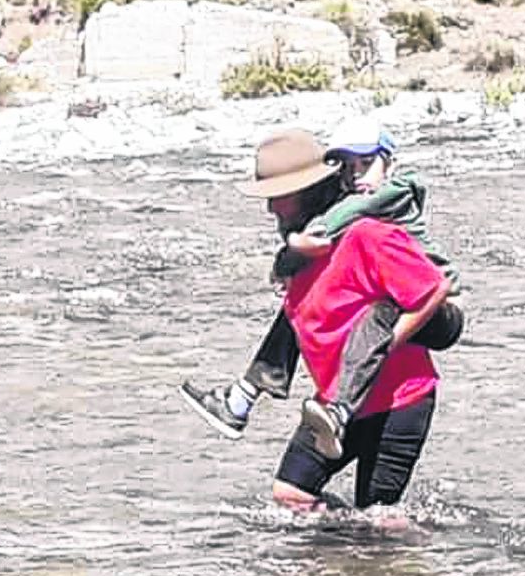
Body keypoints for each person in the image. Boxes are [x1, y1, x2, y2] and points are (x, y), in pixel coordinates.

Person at [180, 118, 463, 459]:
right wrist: (289, 257)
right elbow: (297, 256)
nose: (270, 208)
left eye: (366, 164)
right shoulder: (338, 203)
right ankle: (243, 397)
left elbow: (343, 224)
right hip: (402, 305)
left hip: (440, 311)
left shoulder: (381, 197)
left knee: (376, 316)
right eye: (349, 167)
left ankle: (336, 409)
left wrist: (297, 245)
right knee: (300, 300)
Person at [225, 127, 451, 511]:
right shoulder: (300, 254)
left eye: (278, 197)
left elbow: (434, 289)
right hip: (332, 406)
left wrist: (387, 344)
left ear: (308, 192)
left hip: (398, 403)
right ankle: (341, 561)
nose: (270, 210)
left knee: (378, 522)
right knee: (290, 498)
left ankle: (387, 554)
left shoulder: (368, 234)